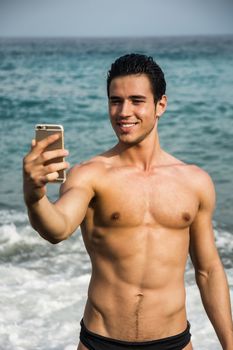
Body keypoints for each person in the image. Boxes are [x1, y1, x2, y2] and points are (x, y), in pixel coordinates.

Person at [23, 54, 233, 350]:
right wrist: (34, 196)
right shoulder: (90, 175)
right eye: (115, 101)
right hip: (101, 340)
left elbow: (208, 270)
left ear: (161, 104)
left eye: (136, 100)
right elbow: (57, 229)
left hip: (173, 341)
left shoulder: (194, 181)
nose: (123, 111)